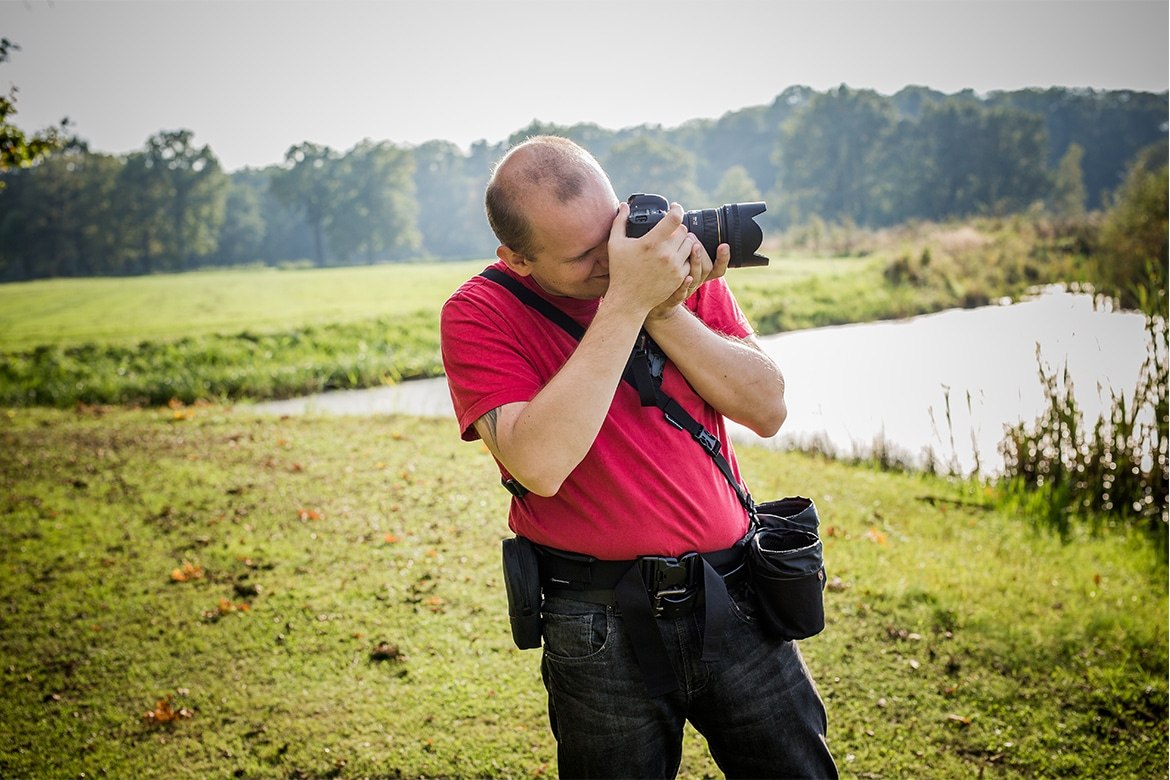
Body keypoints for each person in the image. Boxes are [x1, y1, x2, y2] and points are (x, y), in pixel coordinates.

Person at [440, 135, 837, 779]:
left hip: (734, 591)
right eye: (583, 257)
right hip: (596, 623)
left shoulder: (659, 260)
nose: (613, 261)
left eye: (611, 234)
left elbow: (768, 409)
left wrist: (664, 308)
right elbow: (539, 464)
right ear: (517, 259)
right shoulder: (479, 312)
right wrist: (627, 301)